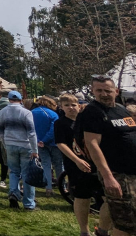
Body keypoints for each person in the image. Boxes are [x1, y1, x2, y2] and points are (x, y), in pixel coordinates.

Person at [82, 75, 136, 236]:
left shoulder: (120, 109)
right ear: (93, 91)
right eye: (99, 90)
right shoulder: (93, 112)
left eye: (108, 90)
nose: (104, 94)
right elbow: (92, 144)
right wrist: (108, 177)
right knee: (125, 223)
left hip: (132, 172)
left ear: (116, 91)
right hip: (117, 173)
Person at [56, 93, 111, 236]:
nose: (71, 108)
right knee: (82, 197)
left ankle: (102, 229)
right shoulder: (60, 123)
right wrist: (77, 160)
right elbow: (61, 144)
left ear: (79, 105)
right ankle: (84, 231)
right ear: (61, 107)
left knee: (109, 198)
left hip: (95, 163)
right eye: (67, 105)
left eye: (73, 105)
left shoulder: (85, 120)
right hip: (76, 165)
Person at [0, 90, 39, 210]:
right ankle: (29, 203)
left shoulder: (2, 112)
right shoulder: (26, 112)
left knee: (14, 172)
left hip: (10, 144)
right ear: (21, 100)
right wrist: (35, 149)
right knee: (27, 174)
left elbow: (1, 131)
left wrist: (5, 145)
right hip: (25, 145)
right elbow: (31, 133)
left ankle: (13, 193)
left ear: (9, 99)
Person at [32, 96, 63, 197]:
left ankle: (48, 187)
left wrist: (38, 141)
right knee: (58, 165)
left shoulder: (31, 112)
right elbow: (54, 129)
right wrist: (45, 140)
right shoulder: (53, 114)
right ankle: (63, 187)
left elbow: (30, 129)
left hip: (38, 143)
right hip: (53, 142)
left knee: (46, 165)